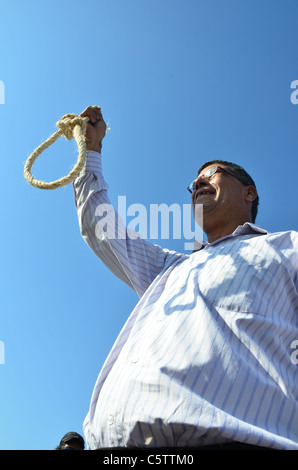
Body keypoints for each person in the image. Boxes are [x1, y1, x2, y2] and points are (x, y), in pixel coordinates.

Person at [72, 105, 298, 450]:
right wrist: (90, 150)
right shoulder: (167, 269)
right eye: (193, 182)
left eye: (212, 173)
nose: (198, 182)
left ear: (248, 192)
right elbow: (99, 225)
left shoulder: (288, 249)